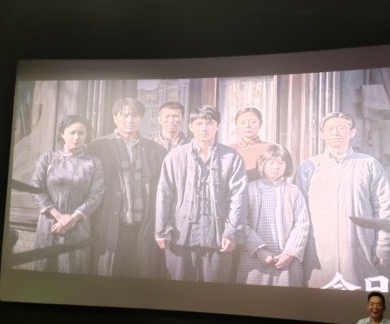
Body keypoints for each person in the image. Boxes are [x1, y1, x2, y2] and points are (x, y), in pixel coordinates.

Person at [294, 112, 390, 289]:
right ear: (322, 134)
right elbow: (297, 213)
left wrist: (384, 247)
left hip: (360, 247)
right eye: (330, 129)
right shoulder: (308, 167)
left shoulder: (369, 164)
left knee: (358, 297)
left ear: (352, 132)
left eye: (342, 127)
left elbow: (384, 208)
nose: (336, 132)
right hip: (318, 250)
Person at [155, 105, 247, 282]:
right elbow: (164, 194)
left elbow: (239, 197)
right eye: (199, 123)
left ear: (218, 126)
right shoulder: (175, 156)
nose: (204, 128)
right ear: (190, 126)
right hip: (180, 235)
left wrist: (231, 232)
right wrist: (161, 230)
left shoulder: (231, 157)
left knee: (215, 291)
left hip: (218, 238)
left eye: (209, 123)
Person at [88, 98, 167, 278]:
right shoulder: (98, 147)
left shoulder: (156, 150)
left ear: (141, 119)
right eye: (124, 115)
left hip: (144, 224)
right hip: (110, 223)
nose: (129, 120)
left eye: (134, 115)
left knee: (140, 274)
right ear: (114, 118)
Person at [31, 114, 105, 274]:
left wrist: (71, 220)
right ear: (62, 133)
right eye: (72, 132)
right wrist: (59, 216)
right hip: (50, 223)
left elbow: (96, 195)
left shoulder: (93, 163)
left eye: (81, 133)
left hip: (78, 225)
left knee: (73, 270)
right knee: (44, 268)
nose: (76, 137)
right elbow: (36, 189)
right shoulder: (48, 158)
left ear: (86, 135)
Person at [236, 144, 310, 287]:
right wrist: (259, 250)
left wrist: (289, 254)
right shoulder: (249, 190)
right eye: (271, 162)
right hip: (253, 257)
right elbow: (241, 222)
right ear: (262, 164)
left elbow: (302, 225)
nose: (276, 167)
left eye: (281, 163)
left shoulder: (294, 191)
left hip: (286, 261)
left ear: (287, 166)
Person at [229, 107, 272, 181]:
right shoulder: (229, 150)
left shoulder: (269, 148)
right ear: (236, 125)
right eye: (242, 122)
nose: (247, 126)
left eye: (253, 122)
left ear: (260, 124)